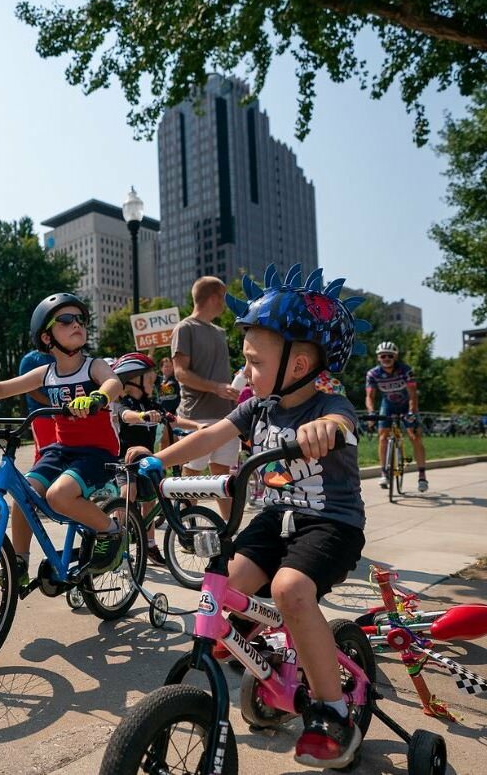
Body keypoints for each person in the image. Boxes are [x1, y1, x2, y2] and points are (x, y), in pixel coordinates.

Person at [127, 264, 370, 769]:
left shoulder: (330, 404)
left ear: (299, 365)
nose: (245, 373)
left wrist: (325, 429)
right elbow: (208, 437)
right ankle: (260, 653)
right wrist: (156, 462)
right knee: (226, 586)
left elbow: (343, 421)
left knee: (288, 590)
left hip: (330, 524)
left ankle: (331, 710)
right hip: (276, 518)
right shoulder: (256, 408)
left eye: (254, 363)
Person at [0, 293, 125, 582]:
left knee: (58, 496)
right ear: (47, 338)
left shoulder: (92, 365)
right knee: (22, 495)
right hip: (61, 450)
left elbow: (114, 382)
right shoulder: (46, 373)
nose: (77, 324)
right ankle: (19, 564)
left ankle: (111, 531)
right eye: (66, 320)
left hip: (97, 452)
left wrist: (99, 396)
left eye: (81, 320)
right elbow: (1, 388)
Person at [111, 352, 199, 566]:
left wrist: (197, 426)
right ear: (134, 380)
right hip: (126, 461)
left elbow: (173, 419)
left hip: (147, 461)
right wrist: (141, 417)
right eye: (150, 379)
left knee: (151, 500)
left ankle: (149, 544)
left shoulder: (151, 403)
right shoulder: (126, 403)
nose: (154, 383)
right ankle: (115, 539)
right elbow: (125, 416)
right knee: (128, 494)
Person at [170, 276, 240, 519]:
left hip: (226, 416)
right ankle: (187, 528)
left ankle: (230, 531)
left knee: (223, 474)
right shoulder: (185, 328)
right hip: (197, 417)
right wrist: (216, 388)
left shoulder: (220, 332)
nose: (225, 304)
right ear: (213, 297)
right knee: (192, 475)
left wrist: (233, 387)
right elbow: (180, 373)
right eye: (223, 297)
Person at [365, 341, 428, 492]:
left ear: (395, 357)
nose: (386, 358)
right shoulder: (373, 374)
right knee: (382, 437)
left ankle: (422, 476)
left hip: (407, 405)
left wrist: (412, 413)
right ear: (378, 358)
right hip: (388, 405)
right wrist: (371, 412)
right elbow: (369, 396)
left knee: (415, 436)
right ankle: (384, 473)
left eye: (390, 356)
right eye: (383, 356)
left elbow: (413, 394)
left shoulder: (406, 371)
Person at [18, 348, 55, 462]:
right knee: (44, 453)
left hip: (63, 414)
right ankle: (37, 479)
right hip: (42, 414)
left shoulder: (62, 356)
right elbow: (30, 389)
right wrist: (52, 403)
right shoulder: (30, 359)